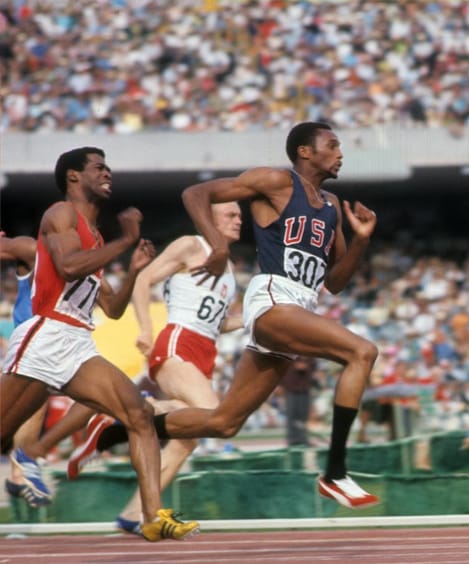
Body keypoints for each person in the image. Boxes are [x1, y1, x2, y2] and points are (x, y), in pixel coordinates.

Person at [129, 122, 380, 509]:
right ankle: (335, 472)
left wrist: (361, 240)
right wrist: (217, 245)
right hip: (273, 299)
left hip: (299, 308)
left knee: (224, 422)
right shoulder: (277, 181)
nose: (340, 153)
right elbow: (195, 193)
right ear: (305, 151)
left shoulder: (331, 205)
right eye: (332, 145)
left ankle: (125, 423)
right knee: (362, 352)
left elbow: (336, 282)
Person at [0, 146, 199, 541]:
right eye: (98, 167)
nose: (108, 173)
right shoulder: (61, 214)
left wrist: (133, 271)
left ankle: (152, 516)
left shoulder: (96, 238)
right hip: (45, 334)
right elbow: (68, 266)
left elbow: (113, 308)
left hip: (77, 341)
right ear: (74, 176)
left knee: (138, 414)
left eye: (108, 167)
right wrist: (126, 241)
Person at [51, 201, 245, 535]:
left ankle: (135, 513)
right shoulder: (191, 245)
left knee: (188, 440)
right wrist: (145, 329)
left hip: (206, 351)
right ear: (209, 220)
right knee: (215, 415)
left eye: (240, 214)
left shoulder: (227, 268)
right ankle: (116, 423)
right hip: (178, 343)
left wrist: (254, 317)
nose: (239, 219)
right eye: (231, 214)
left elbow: (220, 322)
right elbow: (143, 279)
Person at [0, 232, 50, 507]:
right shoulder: (32, 252)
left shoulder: (74, 262)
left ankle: (20, 473)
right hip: (29, 339)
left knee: (35, 406)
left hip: (55, 343)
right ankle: (20, 474)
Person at [279, 355, 318, 447]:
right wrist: (296, 365)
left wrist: (305, 365)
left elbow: (313, 365)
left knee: (303, 415)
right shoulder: (290, 353)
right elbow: (283, 366)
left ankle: (302, 439)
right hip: (291, 388)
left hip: (304, 388)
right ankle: (292, 440)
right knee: (292, 415)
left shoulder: (310, 355)